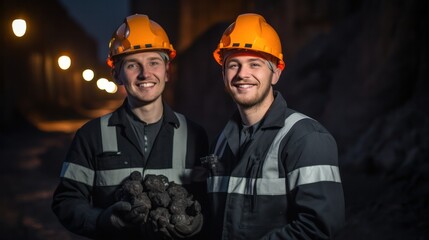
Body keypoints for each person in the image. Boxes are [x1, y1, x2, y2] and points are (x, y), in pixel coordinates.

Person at [52, 14, 208, 239]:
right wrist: (102, 220)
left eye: (154, 62)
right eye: (133, 64)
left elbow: (205, 199)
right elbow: (66, 201)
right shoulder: (91, 136)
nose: (145, 73)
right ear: (116, 73)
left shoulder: (195, 135)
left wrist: (198, 220)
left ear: (168, 71)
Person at [201, 13, 345, 239]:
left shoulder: (306, 138)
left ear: (276, 73)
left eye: (254, 64)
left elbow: (318, 228)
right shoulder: (220, 143)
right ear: (223, 74)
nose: (242, 74)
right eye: (233, 65)